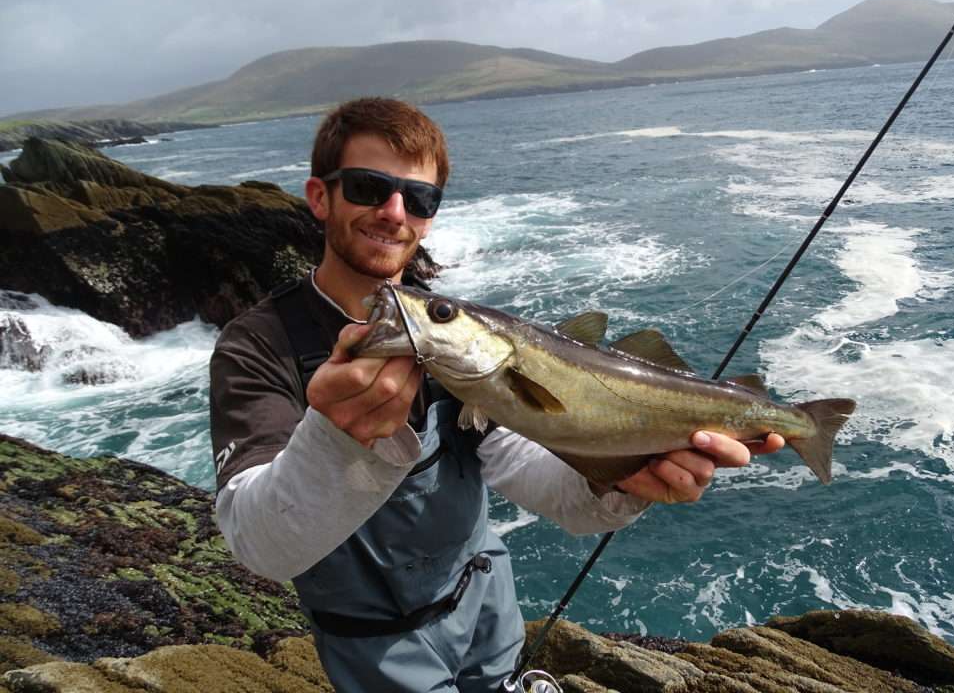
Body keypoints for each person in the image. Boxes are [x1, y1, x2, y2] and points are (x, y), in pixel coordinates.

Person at [209, 97, 784, 693]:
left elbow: (537, 476)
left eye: (420, 198)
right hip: (377, 651)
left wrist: (624, 478)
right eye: (367, 186)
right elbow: (258, 546)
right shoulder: (257, 347)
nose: (394, 212)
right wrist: (337, 440)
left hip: (488, 611)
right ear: (319, 196)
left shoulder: (458, 340)